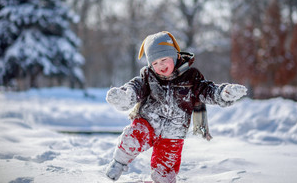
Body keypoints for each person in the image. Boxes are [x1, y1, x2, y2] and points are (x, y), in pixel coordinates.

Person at [105, 31, 247, 182]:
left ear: (174, 55)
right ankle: (118, 164)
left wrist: (223, 94)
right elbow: (135, 88)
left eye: (164, 60)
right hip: (149, 121)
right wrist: (124, 96)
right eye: (155, 63)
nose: (160, 66)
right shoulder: (148, 76)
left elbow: (207, 90)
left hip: (174, 130)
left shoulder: (191, 76)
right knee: (132, 136)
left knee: (165, 170)